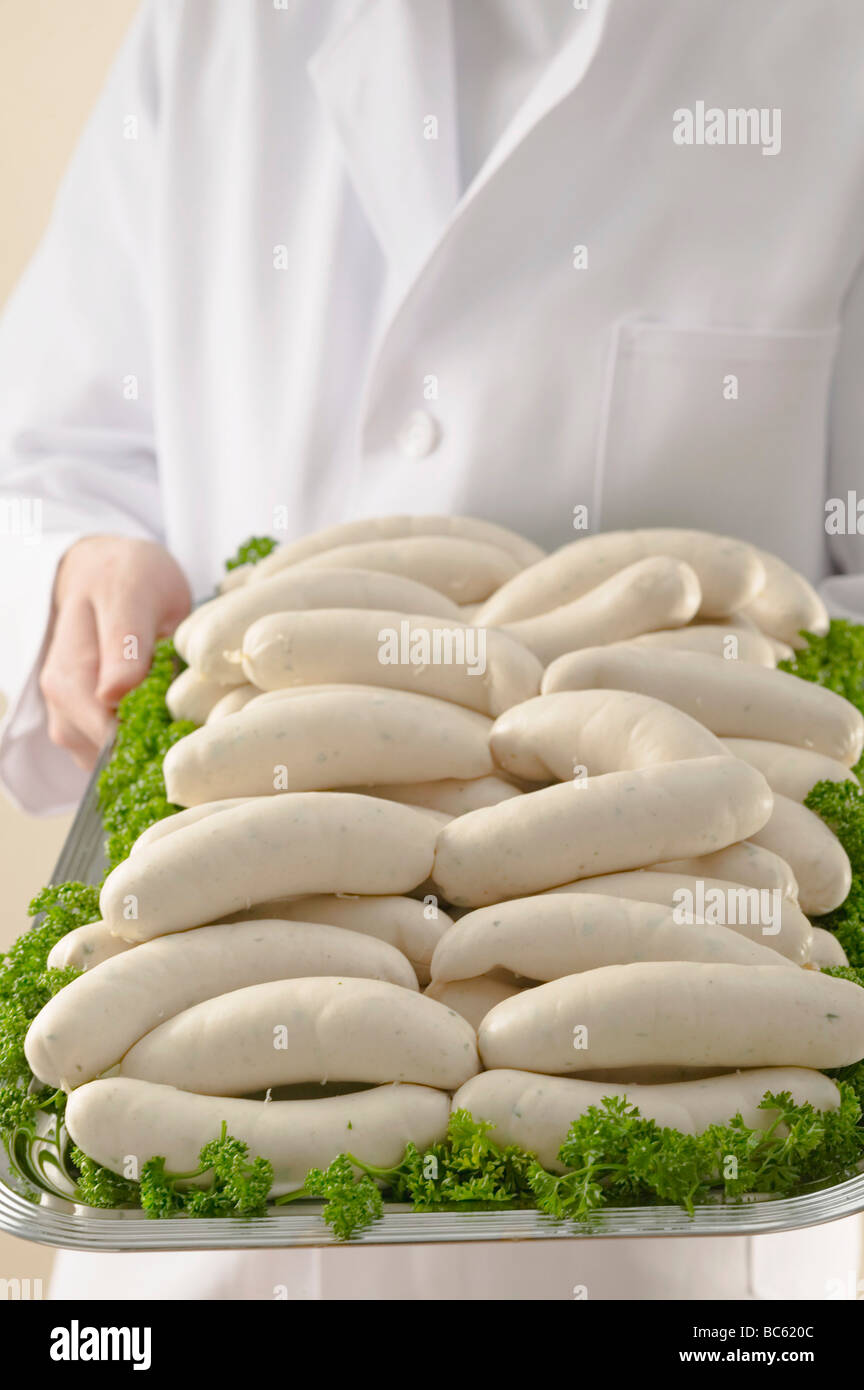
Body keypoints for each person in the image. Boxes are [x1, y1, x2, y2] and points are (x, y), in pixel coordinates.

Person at [1, 0, 862, 1301]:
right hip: (210, 1248)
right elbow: (58, 457)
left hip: (694, 1253)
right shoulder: (204, 33)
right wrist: (75, 572)